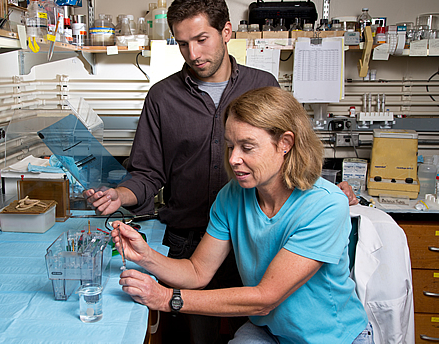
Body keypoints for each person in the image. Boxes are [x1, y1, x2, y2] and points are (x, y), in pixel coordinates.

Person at [86, 0, 356, 342]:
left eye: (201, 39)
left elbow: (286, 153)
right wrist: (128, 211)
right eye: (183, 44)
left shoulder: (262, 86)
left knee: (264, 310)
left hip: (274, 271)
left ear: (226, 31)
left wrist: (324, 191)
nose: (193, 54)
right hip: (194, 239)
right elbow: (149, 173)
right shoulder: (164, 99)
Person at [110, 86, 373, 344]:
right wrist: (145, 255)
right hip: (271, 331)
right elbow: (197, 271)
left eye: (247, 147)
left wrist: (167, 298)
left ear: (285, 143)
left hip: (330, 337)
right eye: (230, 146)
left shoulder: (324, 206)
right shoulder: (232, 196)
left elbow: (265, 298)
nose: (234, 158)